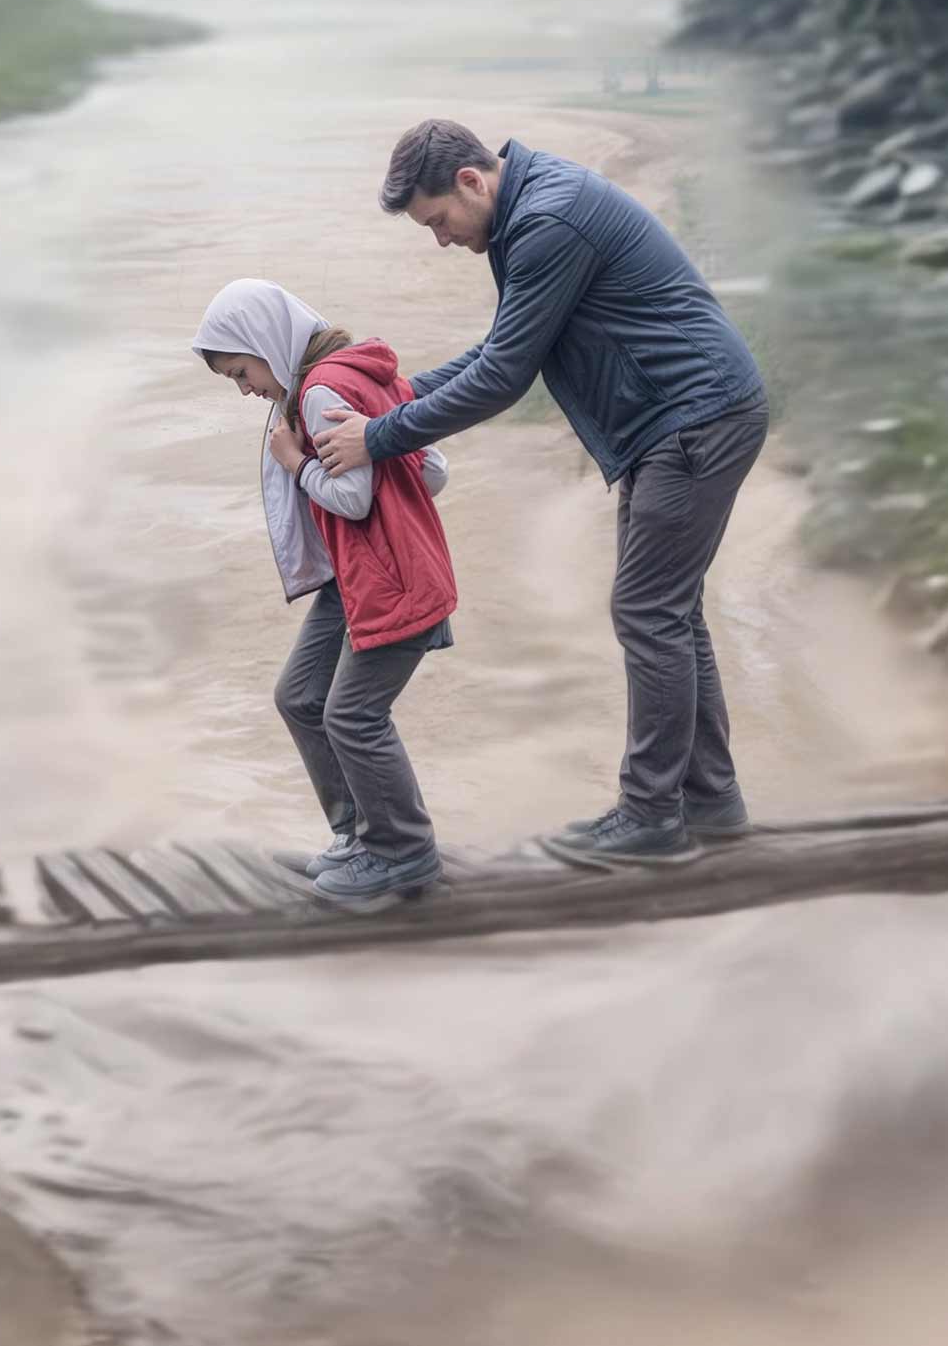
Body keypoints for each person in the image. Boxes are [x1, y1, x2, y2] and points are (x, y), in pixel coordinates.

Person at [314, 118, 769, 869]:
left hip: (692, 420)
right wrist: (391, 397)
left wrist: (380, 435)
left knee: (648, 611)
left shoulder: (547, 221)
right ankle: (711, 802)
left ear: (470, 180)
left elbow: (502, 377)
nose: (440, 240)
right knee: (669, 612)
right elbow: (500, 346)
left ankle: (653, 813)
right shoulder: (533, 204)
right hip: (683, 419)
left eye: (437, 222)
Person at [191, 279, 458, 905]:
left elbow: (353, 498)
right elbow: (436, 470)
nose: (245, 389)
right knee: (301, 696)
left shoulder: (318, 393)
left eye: (240, 371)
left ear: (264, 343)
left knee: (353, 715)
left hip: (389, 579)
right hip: (363, 575)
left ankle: (404, 852)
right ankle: (362, 836)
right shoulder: (356, 371)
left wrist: (296, 463)